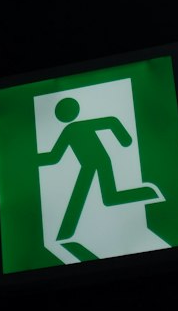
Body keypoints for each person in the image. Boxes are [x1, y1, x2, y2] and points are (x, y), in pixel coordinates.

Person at [42, 96, 158, 240]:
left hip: (101, 161)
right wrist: (33, 159)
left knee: (106, 196)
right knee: (107, 196)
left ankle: (66, 231)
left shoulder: (75, 128)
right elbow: (55, 156)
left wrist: (124, 139)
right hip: (88, 165)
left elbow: (110, 122)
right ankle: (66, 232)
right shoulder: (69, 131)